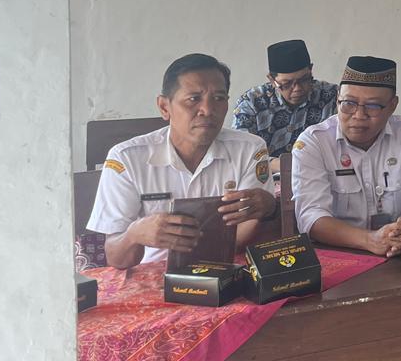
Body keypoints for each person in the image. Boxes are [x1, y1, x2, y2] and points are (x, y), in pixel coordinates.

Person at [87, 53, 278, 270]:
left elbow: (248, 221)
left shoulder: (249, 149)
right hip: (154, 273)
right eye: (193, 99)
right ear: (164, 107)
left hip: (224, 266)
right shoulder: (126, 159)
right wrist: (134, 235)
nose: (208, 110)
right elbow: (117, 258)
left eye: (219, 98)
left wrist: (203, 262)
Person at [291, 56, 401, 257]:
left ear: (392, 106)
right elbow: (310, 217)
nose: (358, 115)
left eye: (372, 106)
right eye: (349, 103)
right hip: (339, 256)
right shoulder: (314, 143)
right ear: (337, 100)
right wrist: (370, 240)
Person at [233, 39, 338, 172]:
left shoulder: (332, 97)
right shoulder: (252, 102)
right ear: (272, 80)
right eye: (287, 84)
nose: (297, 89)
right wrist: (284, 165)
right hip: (265, 178)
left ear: (311, 70)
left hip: (321, 174)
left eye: (304, 80)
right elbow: (240, 153)